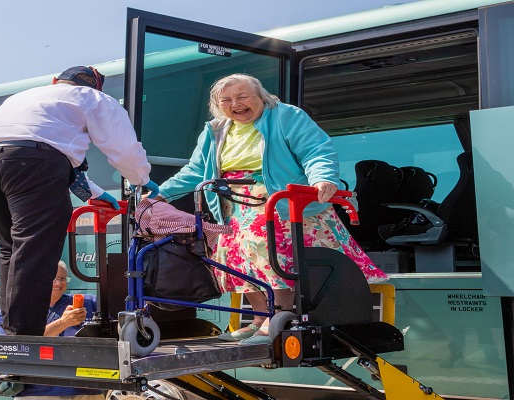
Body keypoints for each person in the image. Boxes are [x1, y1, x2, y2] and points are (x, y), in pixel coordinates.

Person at [157, 73, 387, 345]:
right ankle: (258, 319)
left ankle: (279, 314)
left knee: (266, 248)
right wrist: (160, 192)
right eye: (226, 100)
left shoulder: (286, 116)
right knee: (233, 257)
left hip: (279, 201)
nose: (236, 104)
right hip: (232, 204)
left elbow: (316, 150)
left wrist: (323, 178)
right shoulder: (216, 129)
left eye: (243, 97)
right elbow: (195, 170)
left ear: (261, 97)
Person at [0, 66, 159, 337]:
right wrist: (141, 178)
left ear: (55, 81)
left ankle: (13, 331)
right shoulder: (93, 98)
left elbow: (35, 145)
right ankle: (25, 336)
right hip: (29, 160)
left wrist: (96, 194)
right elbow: (122, 147)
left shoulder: (26, 97)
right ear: (95, 87)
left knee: (11, 247)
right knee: (36, 247)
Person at [0, 261, 105, 399]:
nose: (58, 284)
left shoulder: (90, 303)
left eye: (62, 279)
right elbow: (20, 346)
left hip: (87, 389)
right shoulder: (15, 311)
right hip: (38, 391)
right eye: (53, 278)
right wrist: (63, 322)